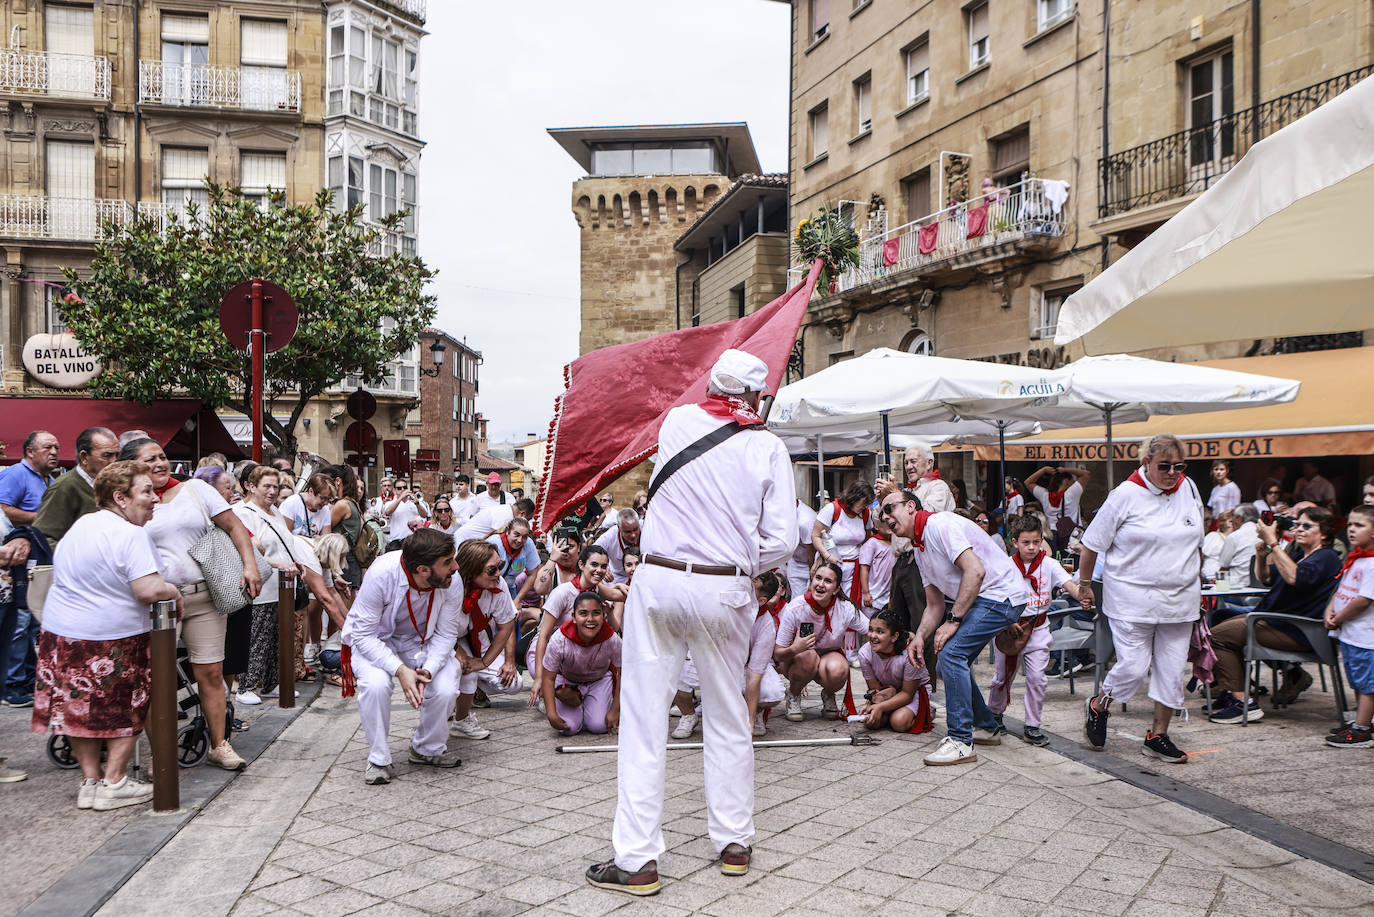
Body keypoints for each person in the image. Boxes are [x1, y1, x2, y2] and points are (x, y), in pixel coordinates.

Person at [589, 349, 796, 895]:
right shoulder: (769, 446)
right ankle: (733, 842)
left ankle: (636, 860)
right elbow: (783, 541)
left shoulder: (680, 422)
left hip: (657, 580)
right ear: (755, 396)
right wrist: (736, 554)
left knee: (642, 721)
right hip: (724, 586)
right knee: (729, 716)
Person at [30, 461, 180, 810]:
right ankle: (114, 781)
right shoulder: (131, 534)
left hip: (62, 635)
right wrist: (173, 591)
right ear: (120, 498)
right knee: (127, 708)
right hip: (114, 638)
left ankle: (90, 781)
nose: (154, 498)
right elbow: (147, 589)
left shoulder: (82, 525)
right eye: (146, 491)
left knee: (78, 711)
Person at [131, 437, 260, 771]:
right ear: (132, 467)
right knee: (156, 677)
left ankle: (220, 744)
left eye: (161, 456)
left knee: (212, 671)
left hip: (204, 595)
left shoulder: (195, 490)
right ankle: (160, 753)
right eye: (149, 460)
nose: (159, 463)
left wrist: (249, 566)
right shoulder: (131, 501)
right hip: (158, 605)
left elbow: (235, 528)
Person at [879, 489, 1030, 766]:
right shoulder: (919, 547)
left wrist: (954, 620)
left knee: (951, 654)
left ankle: (961, 741)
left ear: (911, 506)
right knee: (946, 660)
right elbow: (934, 605)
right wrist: (920, 637)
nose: (885, 517)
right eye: (881, 514)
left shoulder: (940, 525)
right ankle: (985, 726)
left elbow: (975, 571)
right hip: (985, 598)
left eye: (890, 508)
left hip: (1002, 596)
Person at [1078, 434, 1203, 764]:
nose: (1173, 472)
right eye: (1164, 466)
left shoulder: (1189, 488)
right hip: (1131, 600)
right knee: (1133, 668)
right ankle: (1100, 704)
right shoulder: (1125, 495)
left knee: (1172, 672)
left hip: (1180, 601)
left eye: (1179, 465)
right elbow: (1092, 543)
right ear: (1145, 462)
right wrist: (1085, 584)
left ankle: (1158, 735)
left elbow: (1196, 540)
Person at [340, 528, 466, 784]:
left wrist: (428, 669)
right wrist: (401, 670)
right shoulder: (382, 572)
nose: (456, 566)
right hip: (376, 640)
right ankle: (378, 759)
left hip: (422, 641)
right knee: (375, 685)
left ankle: (426, 749)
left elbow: (446, 634)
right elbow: (363, 636)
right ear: (422, 570)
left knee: (445, 684)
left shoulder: (452, 580)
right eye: (447, 562)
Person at [1206, 505, 1342, 722]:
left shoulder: (1326, 557)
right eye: (1297, 525)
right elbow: (1266, 578)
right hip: (1276, 621)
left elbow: (1294, 578)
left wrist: (1273, 543)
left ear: (1324, 533)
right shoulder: (1299, 555)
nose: (1299, 530)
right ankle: (1231, 692)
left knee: (1215, 637)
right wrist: (1262, 555)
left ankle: (1242, 701)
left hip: (1297, 629)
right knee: (1221, 621)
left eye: (1307, 526)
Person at [987, 515, 1089, 746]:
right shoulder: (1004, 566)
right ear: (1015, 542)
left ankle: (1032, 725)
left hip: (1039, 628)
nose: (1032, 547)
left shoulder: (1049, 565)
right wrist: (1006, 620)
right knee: (1002, 676)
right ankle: (995, 714)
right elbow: (994, 596)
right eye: (1026, 542)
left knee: (1036, 678)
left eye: (1036, 542)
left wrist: (1081, 596)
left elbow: (1068, 583)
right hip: (1008, 629)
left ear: (1042, 540)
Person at [231, 466, 302, 706]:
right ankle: (247, 685)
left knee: (276, 638)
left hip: (282, 586)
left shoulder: (275, 512)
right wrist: (280, 564)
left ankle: (272, 682)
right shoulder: (242, 512)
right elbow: (248, 550)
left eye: (276, 487)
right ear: (250, 486)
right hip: (260, 586)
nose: (272, 492)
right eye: (267, 486)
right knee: (257, 637)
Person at [1, 430, 59, 704]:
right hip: (18, 560)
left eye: (57, 447)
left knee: (33, 621)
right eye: (48, 447)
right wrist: (40, 518)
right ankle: (13, 686)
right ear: (30, 451)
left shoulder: (50, 478)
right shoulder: (16, 474)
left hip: (41, 559)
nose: (55, 452)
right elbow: (2, 508)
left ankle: (24, 679)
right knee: (22, 621)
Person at [774, 563, 866, 720]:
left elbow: (870, 629)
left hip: (828, 657)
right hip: (796, 660)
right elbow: (777, 654)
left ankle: (829, 694)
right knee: (808, 656)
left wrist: (904, 636)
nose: (821, 584)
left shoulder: (845, 608)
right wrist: (796, 648)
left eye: (828, 581)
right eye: (818, 578)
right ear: (812, 580)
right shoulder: (796, 607)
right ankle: (794, 695)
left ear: (836, 589)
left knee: (839, 669)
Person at [529, 544, 613, 701]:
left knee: (594, 722)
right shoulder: (563, 592)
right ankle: (550, 693)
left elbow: (618, 599)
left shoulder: (598, 592)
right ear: (581, 565)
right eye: (594, 565)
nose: (599, 570)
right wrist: (539, 678)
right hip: (547, 650)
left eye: (603, 566)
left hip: (574, 653)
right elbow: (544, 635)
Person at [1324, 504, 1374, 747]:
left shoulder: (1372, 563)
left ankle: (1362, 729)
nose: (1351, 530)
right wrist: (1330, 609)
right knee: (1357, 681)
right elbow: (1342, 590)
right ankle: (1362, 721)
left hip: (1366, 636)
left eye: (1359, 525)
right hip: (1350, 634)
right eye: (1351, 524)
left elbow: (1364, 600)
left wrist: (1340, 617)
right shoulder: (1356, 557)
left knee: (1367, 686)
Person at [543, 592, 622, 735]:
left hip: (599, 681)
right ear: (573, 617)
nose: (590, 619)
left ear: (604, 615)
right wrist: (551, 713)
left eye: (596, 613)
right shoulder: (559, 639)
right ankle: (572, 706)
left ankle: (595, 704)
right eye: (583, 614)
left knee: (600, 726)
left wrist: (615, 709)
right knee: (568, 728)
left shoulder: (612, 639)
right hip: (567, 682)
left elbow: (624, 673)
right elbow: (548, 678)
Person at [35, 427, 118, 546]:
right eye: (107, 455)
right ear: (84, 457)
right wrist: (77, 558)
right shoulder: (65, 487)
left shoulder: (112, 484)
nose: (114, 461)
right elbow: (43, 538)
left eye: (117, 455)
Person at [857, 609, 932, 734]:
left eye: (880, 632)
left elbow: (907, 694)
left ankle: (928, 712)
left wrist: (880, 707)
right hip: (889, 691)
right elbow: (875, 689)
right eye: (871, 630)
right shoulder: (864, 653)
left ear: (894, 636)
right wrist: (871, 703)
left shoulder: (909, 654)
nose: (873, 636)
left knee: (899, 722)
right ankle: (890, 713)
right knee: (872, 722)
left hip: (914, 692)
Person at [811, 481, 873, 604]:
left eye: (867, 504)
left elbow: (867, 539)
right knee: (827, 601)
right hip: (830, 563)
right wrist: (826, 556)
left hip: (853, 567)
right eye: (863, 503)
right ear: (854, 497)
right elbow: (816, 535)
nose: (864, 506)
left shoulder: (865, 514)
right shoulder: (833, 509)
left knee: (848, 603)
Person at [1026, 465, 1090, 549]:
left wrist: (1044, 470)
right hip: (1072, 534)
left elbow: (1028, 482)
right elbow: (1086, 474)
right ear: (1067, 481)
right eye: (1072, 481)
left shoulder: (1045, 495)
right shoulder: (1071, 493)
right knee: (1072, 559)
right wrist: (1065, 469)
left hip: (1051, 534)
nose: (1074, 483)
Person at [325, 464, 366, 591]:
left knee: (345, 606)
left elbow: (325, 527)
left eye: (327, 482)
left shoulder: (342, 505)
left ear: (337, 482)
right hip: (350, 561)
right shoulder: (352, 503)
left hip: (344, 560)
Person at [490, 517, 541, 595]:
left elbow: (533, 573)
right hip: (489, 587)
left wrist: (518, 599)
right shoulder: (494, 542)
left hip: (509, 588)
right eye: (516, 535)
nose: (520, 540)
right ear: (507, 531)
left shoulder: (528, 543)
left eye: (524, 537)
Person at [594, 508, 642, 583]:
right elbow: (591, 552)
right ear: (619, 528)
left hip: (643, 575)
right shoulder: (609, 536)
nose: (633, 535)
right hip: (617, 578)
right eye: (628, 532)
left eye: (635, 529)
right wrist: (602, 569)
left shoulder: (646, 527)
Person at [280, 473, 333, 538]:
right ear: (311, 491)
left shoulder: (325, 509)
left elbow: (325, 540)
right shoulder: (292, 503)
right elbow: (284, 537)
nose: (326, 503)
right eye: (323, 498)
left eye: (328, 499)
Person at [1217, 504, 1260, 586]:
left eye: (1233, 518)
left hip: (1237, 588)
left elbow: (1223, 566)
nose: (1232, 522)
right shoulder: (1266, 534)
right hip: (1262, 587)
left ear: (1240, 518)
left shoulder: (1234, 536)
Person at [381, 479, 428, 551]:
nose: (402, 490)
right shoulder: (390, 503)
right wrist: (400, 498)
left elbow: (424, 515)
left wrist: (417, 503)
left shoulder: (415, 501)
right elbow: (388, 512)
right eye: (399, 488)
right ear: (394, 490)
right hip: (396, 540)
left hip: (413, 540)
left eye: (404, 487)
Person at [786, 499, 818, 601]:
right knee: (796, 601)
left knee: (810, 600)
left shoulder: (805, 521)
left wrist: (812, 576)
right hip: (795, 561)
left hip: (810, 564)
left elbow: (811, 553)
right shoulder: (785, 513)